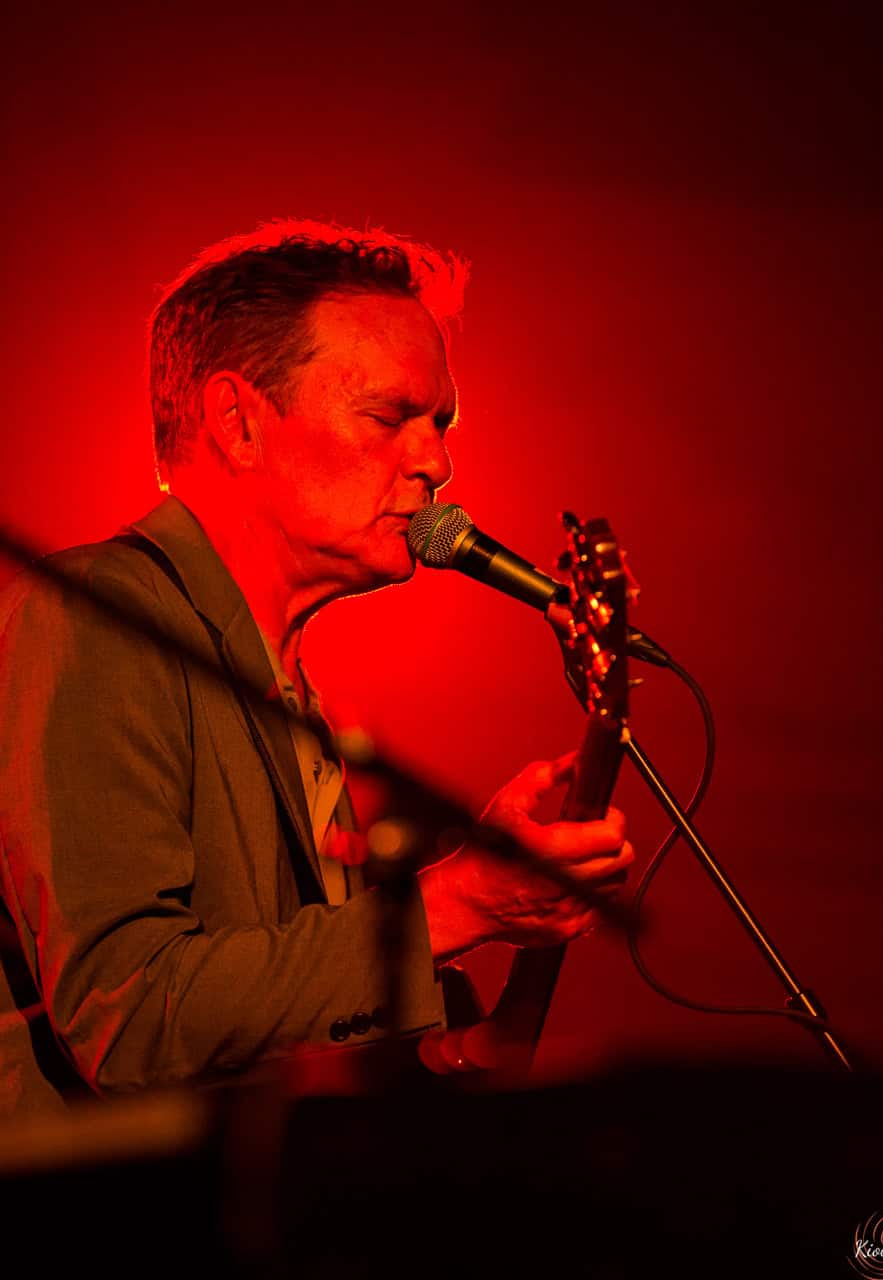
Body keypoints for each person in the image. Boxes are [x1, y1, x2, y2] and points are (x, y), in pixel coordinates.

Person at [0, 221, 632, 1116]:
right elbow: (131, 1023)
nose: (437, 462)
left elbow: (282, 1046)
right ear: (238, 422)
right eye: (390, 417)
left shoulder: (279, 693)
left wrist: (465, 1040)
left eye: (439, 424)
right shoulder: (97, 616)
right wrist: (455, 902)